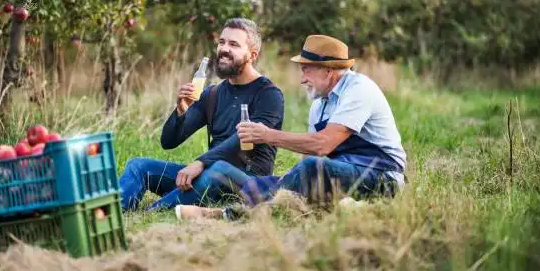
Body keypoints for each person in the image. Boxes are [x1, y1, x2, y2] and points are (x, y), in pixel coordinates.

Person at [174, 34, 407, 220]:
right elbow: (313, 151)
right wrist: (290, 177)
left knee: (313, 168)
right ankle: (321, 208)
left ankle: (226, 216)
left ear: (328, 70)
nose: (302, 78)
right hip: (340, 173)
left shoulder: (359, 89)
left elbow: (322, 146)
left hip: (382, 177)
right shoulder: (320, 105)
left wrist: (268, 135)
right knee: (258, 184)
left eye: (307, 69)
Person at [118, 18, 285, 211]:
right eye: (221, 42)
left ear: (252, 55)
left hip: (246, 183)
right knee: (139, 166)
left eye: (234, 44)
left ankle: (153, 211)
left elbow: (241, 138)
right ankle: (117, 213)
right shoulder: (213, 93)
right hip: (207, 175)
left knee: (217, 170)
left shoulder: (269, 94)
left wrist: (201, 162)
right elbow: (169, 141)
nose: (224, 49)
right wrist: (181, 110)